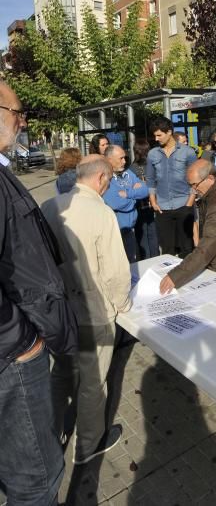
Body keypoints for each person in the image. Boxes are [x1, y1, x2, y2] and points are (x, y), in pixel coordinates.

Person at [0, 80, 77, 503]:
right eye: (17, 112)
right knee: (37, 482)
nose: (22, 122)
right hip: (12, 359)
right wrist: (25, 341)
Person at [42, 155, 131, 465]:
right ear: (102, 179)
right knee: (94, 382)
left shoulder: (50, 206)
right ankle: (88, 446)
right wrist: (123, 304)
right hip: (94, 312)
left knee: (62, 374)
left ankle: (50, 434)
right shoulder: (102, 213)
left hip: (60, 312)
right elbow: (116, 273)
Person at [159, 159, 216, 292]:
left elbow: (210, 243)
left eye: (195, 185)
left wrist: (176, 276)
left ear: (210, 178)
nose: (193, 190)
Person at [145, 117, 197, 257]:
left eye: (159, 135)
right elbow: (150, 180)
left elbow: (196, 180)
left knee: (187, 248)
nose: (156, 139)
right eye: (154, 135)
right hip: (162, 208)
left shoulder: (188, 152)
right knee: (167, 251)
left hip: (184, 204)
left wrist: (189, 203)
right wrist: (153, 202)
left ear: (169, 132)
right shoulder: (152, 154)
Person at [103, 144, 149, 263]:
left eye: (125, 158)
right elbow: (117, 203)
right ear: (109, 160)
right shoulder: (105, 178)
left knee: (132, 263)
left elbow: (145, 190)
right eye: (121, 158)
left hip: (129, 229)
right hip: (116, 232)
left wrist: (127, 193)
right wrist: (135, 195)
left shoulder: (128, 173)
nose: (124, 161)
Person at [129, 140, 160, 260]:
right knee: (153, 233)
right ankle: (156, 258)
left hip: (139, 205)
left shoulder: (131, 169)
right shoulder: (152, 165)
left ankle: (146, 259)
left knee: (141, 234)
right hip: (153, 203)